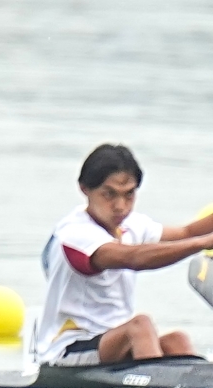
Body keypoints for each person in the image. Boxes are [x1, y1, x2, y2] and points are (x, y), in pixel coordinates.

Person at [37, 144, 213, 366]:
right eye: (109, 194)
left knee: (177, 341)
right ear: (84, 189)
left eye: (129, 194)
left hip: (115, 343)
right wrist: (205, 243)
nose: (120, 206)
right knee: (140, 326)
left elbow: (187, 232)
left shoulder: (132, 225)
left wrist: (201, 239)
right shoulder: (74, 234)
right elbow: (134, 258)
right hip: (68, 350)